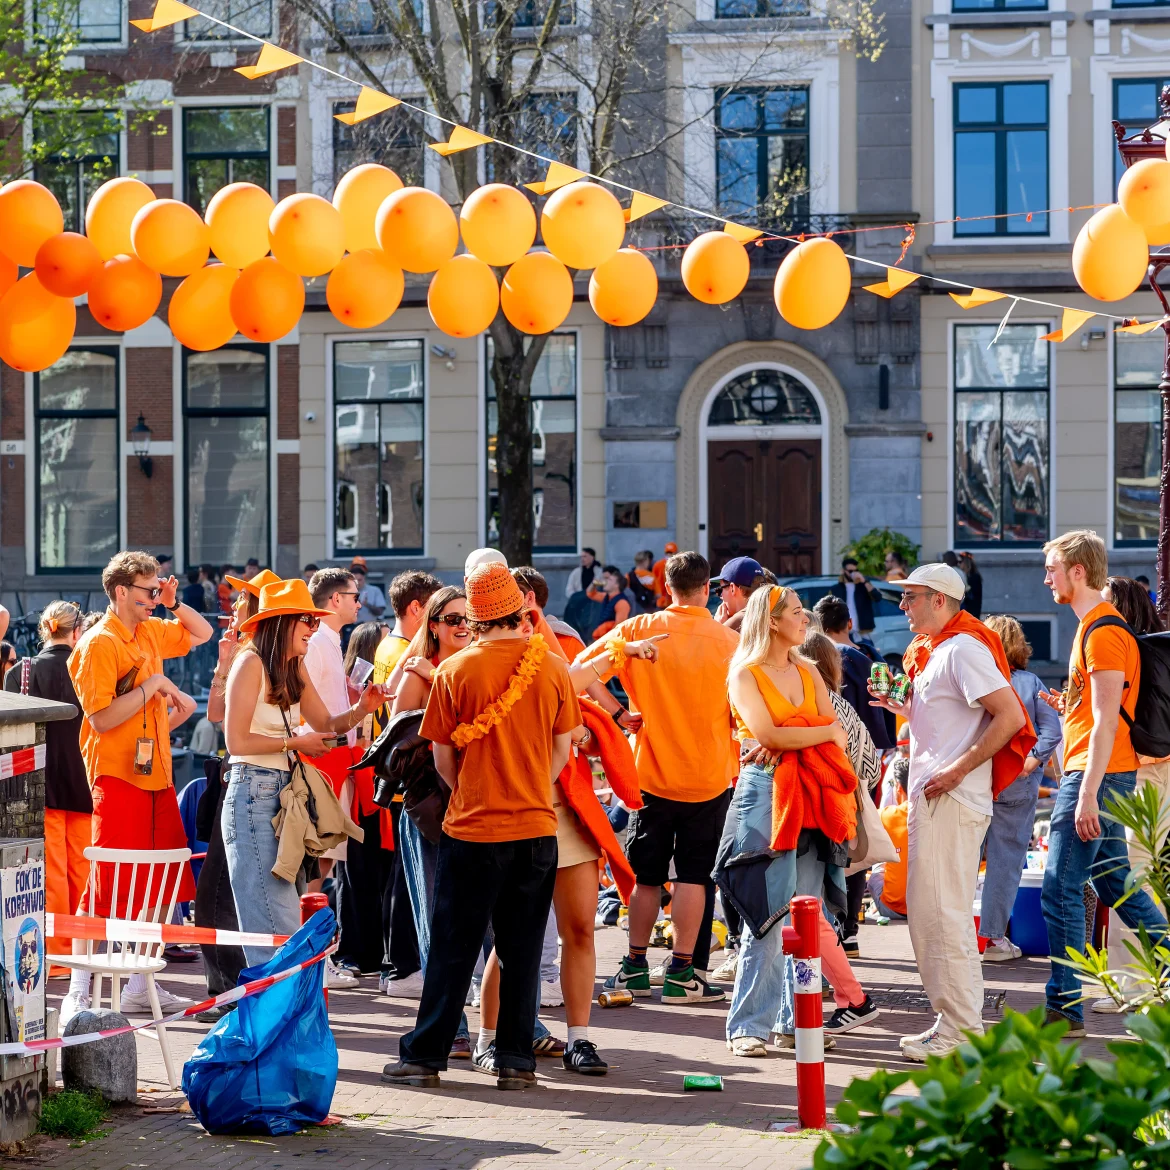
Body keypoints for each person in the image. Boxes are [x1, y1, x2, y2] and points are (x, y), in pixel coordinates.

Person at [382, 563, 581, 1090]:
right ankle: (516, 1059)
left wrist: (472, 789)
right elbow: (563, 749)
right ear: (521, 611)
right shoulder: (552, 668)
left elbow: (444, 758)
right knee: (521, 948)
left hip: (472, 826)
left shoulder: (455, 671)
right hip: (536, 824)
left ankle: (426, 1056)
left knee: (453, 946)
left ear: (473, 618)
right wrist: (534, 784)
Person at [876, 562, 1031, 1061]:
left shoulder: (962, 648)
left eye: (911, 596)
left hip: (951, 796)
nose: (903, 606)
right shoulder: (941, 649)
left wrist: (960, 770)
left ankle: (961, 1030)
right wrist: (901, 710)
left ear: (939, 599)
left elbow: (1010, 715)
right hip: (939, 794)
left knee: (942, 917)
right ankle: (954, 1023)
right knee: (934, 915)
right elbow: (949, 720)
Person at [62, 551, 214, 1023]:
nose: (153, 598)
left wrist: (173, 603)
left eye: (156, 590)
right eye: (149, 591)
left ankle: (137, 984)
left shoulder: (149, 627)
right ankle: (80, 990)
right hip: (116, 777)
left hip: (157, 777)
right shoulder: (99, 643)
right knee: (105, 883)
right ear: (121, 592)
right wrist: (152, 686)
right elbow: (102, 718)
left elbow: (202, 633)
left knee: (159, 882)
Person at [588, 550, 739, 1005]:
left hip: (650, 772)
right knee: (695, 876)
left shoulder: (640, 630)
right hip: (709, 774)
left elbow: (583, 671)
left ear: (665, 586)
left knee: (646, 877)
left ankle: (633, 966)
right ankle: (680, 972)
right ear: (708, 585)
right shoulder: (728, 642)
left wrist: (618, 713)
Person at [714, 587, 857, 1056]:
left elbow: (816, 736)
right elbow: (771, 733)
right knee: (770, 915)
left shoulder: (810, 668)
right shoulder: (745, 673)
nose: (806, 618)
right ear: (773, 621)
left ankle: (796, 1021)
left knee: (808, 913)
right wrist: (816, 732)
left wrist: (801, 736)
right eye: (797, 612)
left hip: (812, 795)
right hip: (766, 795)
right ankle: (747, 1026)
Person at [1038, 531, 1168, 1036]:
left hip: (1098, 777)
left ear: (1077, 571)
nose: (1046, 577)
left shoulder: (1103, 631)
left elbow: (1107, 721)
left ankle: (1065, 1009)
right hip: (1104, 773)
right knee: (1115, 882)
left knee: (1060, 889)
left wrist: (1087, 790)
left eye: (1052, 568)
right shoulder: (1094, 628)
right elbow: (1094, 714)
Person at [222, 579, 385, 966]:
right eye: (307, 620)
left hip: (283, 794)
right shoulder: (249, 662)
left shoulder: (291, 665)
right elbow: (236, 743)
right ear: (283, 623)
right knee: (272, 917)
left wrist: (363, 708)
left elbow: (327, 721)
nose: (314, 627)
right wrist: (295, 744)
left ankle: (284, 1016)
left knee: (282, 915)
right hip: (254, 792)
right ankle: (279, 1016)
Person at [305, 567, 388, 988]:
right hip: (325, 761)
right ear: (334, 600)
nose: (360, 601)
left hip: (334, 759)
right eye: (354, 595)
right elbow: (311, 708)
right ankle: (314, 959)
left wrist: (353, 702)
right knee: (318, 862)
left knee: (323, 862)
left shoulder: (326, 640)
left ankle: (316, 956)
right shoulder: (318, 640)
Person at [797, 631, 882, 1035]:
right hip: (833, 820)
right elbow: (872, 769)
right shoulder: (843, 705)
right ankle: (843, 999)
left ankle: (850, 998)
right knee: (817, 912)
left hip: (814, 818)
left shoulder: (814, 702)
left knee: (807, 913)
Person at [4, 602, 90, 976]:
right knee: (84, 874)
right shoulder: (91, 668)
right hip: (86, 781)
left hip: (36, 784)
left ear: (44, 630)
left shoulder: (19, 673)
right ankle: (83, 954)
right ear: (77, 632)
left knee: (47, 875)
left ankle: (54, 956)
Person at [977, 615, 1063, 961]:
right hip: (1016, 781)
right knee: (1005, 860)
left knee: (965, 859)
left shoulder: (975, 683)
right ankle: (994, 939)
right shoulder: (1030, 683)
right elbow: (1052, 731)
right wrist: (1032, 760)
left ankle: (960, 937)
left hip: (975, 777)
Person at [814, 596, 892, 753]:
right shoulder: (873, 657)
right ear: (850, 623)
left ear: (817, 628)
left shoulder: (822, 660)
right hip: (876, 742)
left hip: (843, 741)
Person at [711, 556, 767, 632]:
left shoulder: (731, 627)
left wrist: (719, 628)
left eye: (720, 589)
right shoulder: (773, 617)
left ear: (733, 588)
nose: (721, 597)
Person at [831, 556, 881, 637]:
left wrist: (864, 580)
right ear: (843, 571)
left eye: (856, 571)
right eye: (850, 571)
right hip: (843, 632)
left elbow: (877, 597)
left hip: (863, 632)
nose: (853, 573)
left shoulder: (863, 586)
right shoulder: (836, 589)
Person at [587, 567, 636, 640]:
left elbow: (619, 627)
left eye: (609, 579)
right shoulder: (607, 596)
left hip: (612, 642)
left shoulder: (622, 603)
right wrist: (593, 583)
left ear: (617, 585)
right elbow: (590, 594)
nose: (605, 581)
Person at [959, 553, 983, 619]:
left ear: (965, 563)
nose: (959, 564)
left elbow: (973, 596)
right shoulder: (972, 576)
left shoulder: (974, 577)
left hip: (971, 612)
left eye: (960, 562)